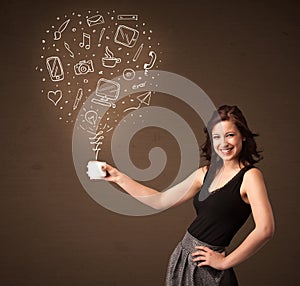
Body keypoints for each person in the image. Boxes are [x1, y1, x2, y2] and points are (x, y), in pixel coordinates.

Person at [102, 105, 275, 286]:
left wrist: (224, 262)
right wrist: (117, 177)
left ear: (243, 136)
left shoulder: (250, 177)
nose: (223, 143)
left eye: (230, 135)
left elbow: (265, 230)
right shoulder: (205, 173)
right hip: (183, 257)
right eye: (217, 137)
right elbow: (159, 200)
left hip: (208, 266)